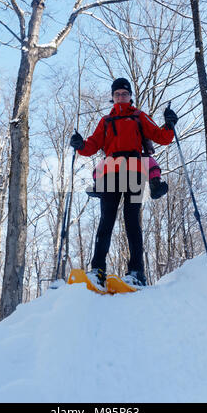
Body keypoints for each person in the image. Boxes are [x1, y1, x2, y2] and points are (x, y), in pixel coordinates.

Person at [70, 78, 178, 290]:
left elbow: (161, 137)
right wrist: (80, 144)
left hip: (135, 172)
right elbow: (91, 145)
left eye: (124, 93)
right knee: (106, 221)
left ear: (130, 96)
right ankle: (97, 270)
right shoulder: (106, 121)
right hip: (110, 173)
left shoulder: (139, 116)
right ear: (113, 97)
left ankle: (136, 272)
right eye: (117, 94)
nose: (121, 97)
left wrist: (170, 124)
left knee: (132, 222)